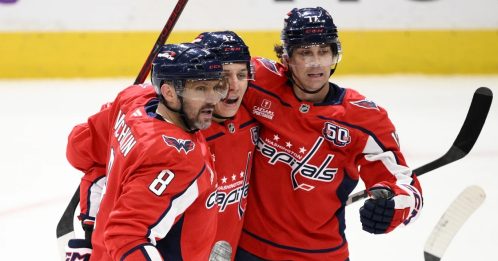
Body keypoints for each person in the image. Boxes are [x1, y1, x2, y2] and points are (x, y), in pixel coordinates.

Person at [235, 7, 423, 261]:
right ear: (286, 58)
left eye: (323, 52)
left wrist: (392, 204)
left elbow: (408, 189)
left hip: (322, 255)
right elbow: (203, 80)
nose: (316, 63)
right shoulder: (258, 82)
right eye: (305, 53)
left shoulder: (363, 118)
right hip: (251, 250)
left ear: (335, 54)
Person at [65, 32, 258, 260]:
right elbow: (127, 236)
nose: (213, 99)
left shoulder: (133, 100)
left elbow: (80, 149)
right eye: (199, 89)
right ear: (168, 92)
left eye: (215, 87)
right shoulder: (176, 156)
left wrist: (90, 227)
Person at [193, 31, 260, 260]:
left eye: (242, 75)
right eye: (223, 75)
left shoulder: (253, 119)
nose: (234, 86)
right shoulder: (180, 132)